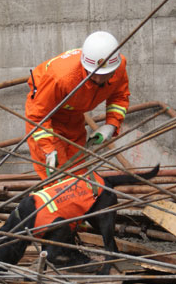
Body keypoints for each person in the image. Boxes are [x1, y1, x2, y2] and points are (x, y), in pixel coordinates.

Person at [25, 31, 130, 179]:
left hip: (74, 117)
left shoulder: (118, 67)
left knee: (79, 173)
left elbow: (119, 97)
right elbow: (37, 116)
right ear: (84, 65)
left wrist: (111, 125)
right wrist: (48, 149)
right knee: (58, 179)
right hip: (48, 119)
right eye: (93, 73)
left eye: (105, 74)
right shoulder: (61, 78)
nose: (99, 79)